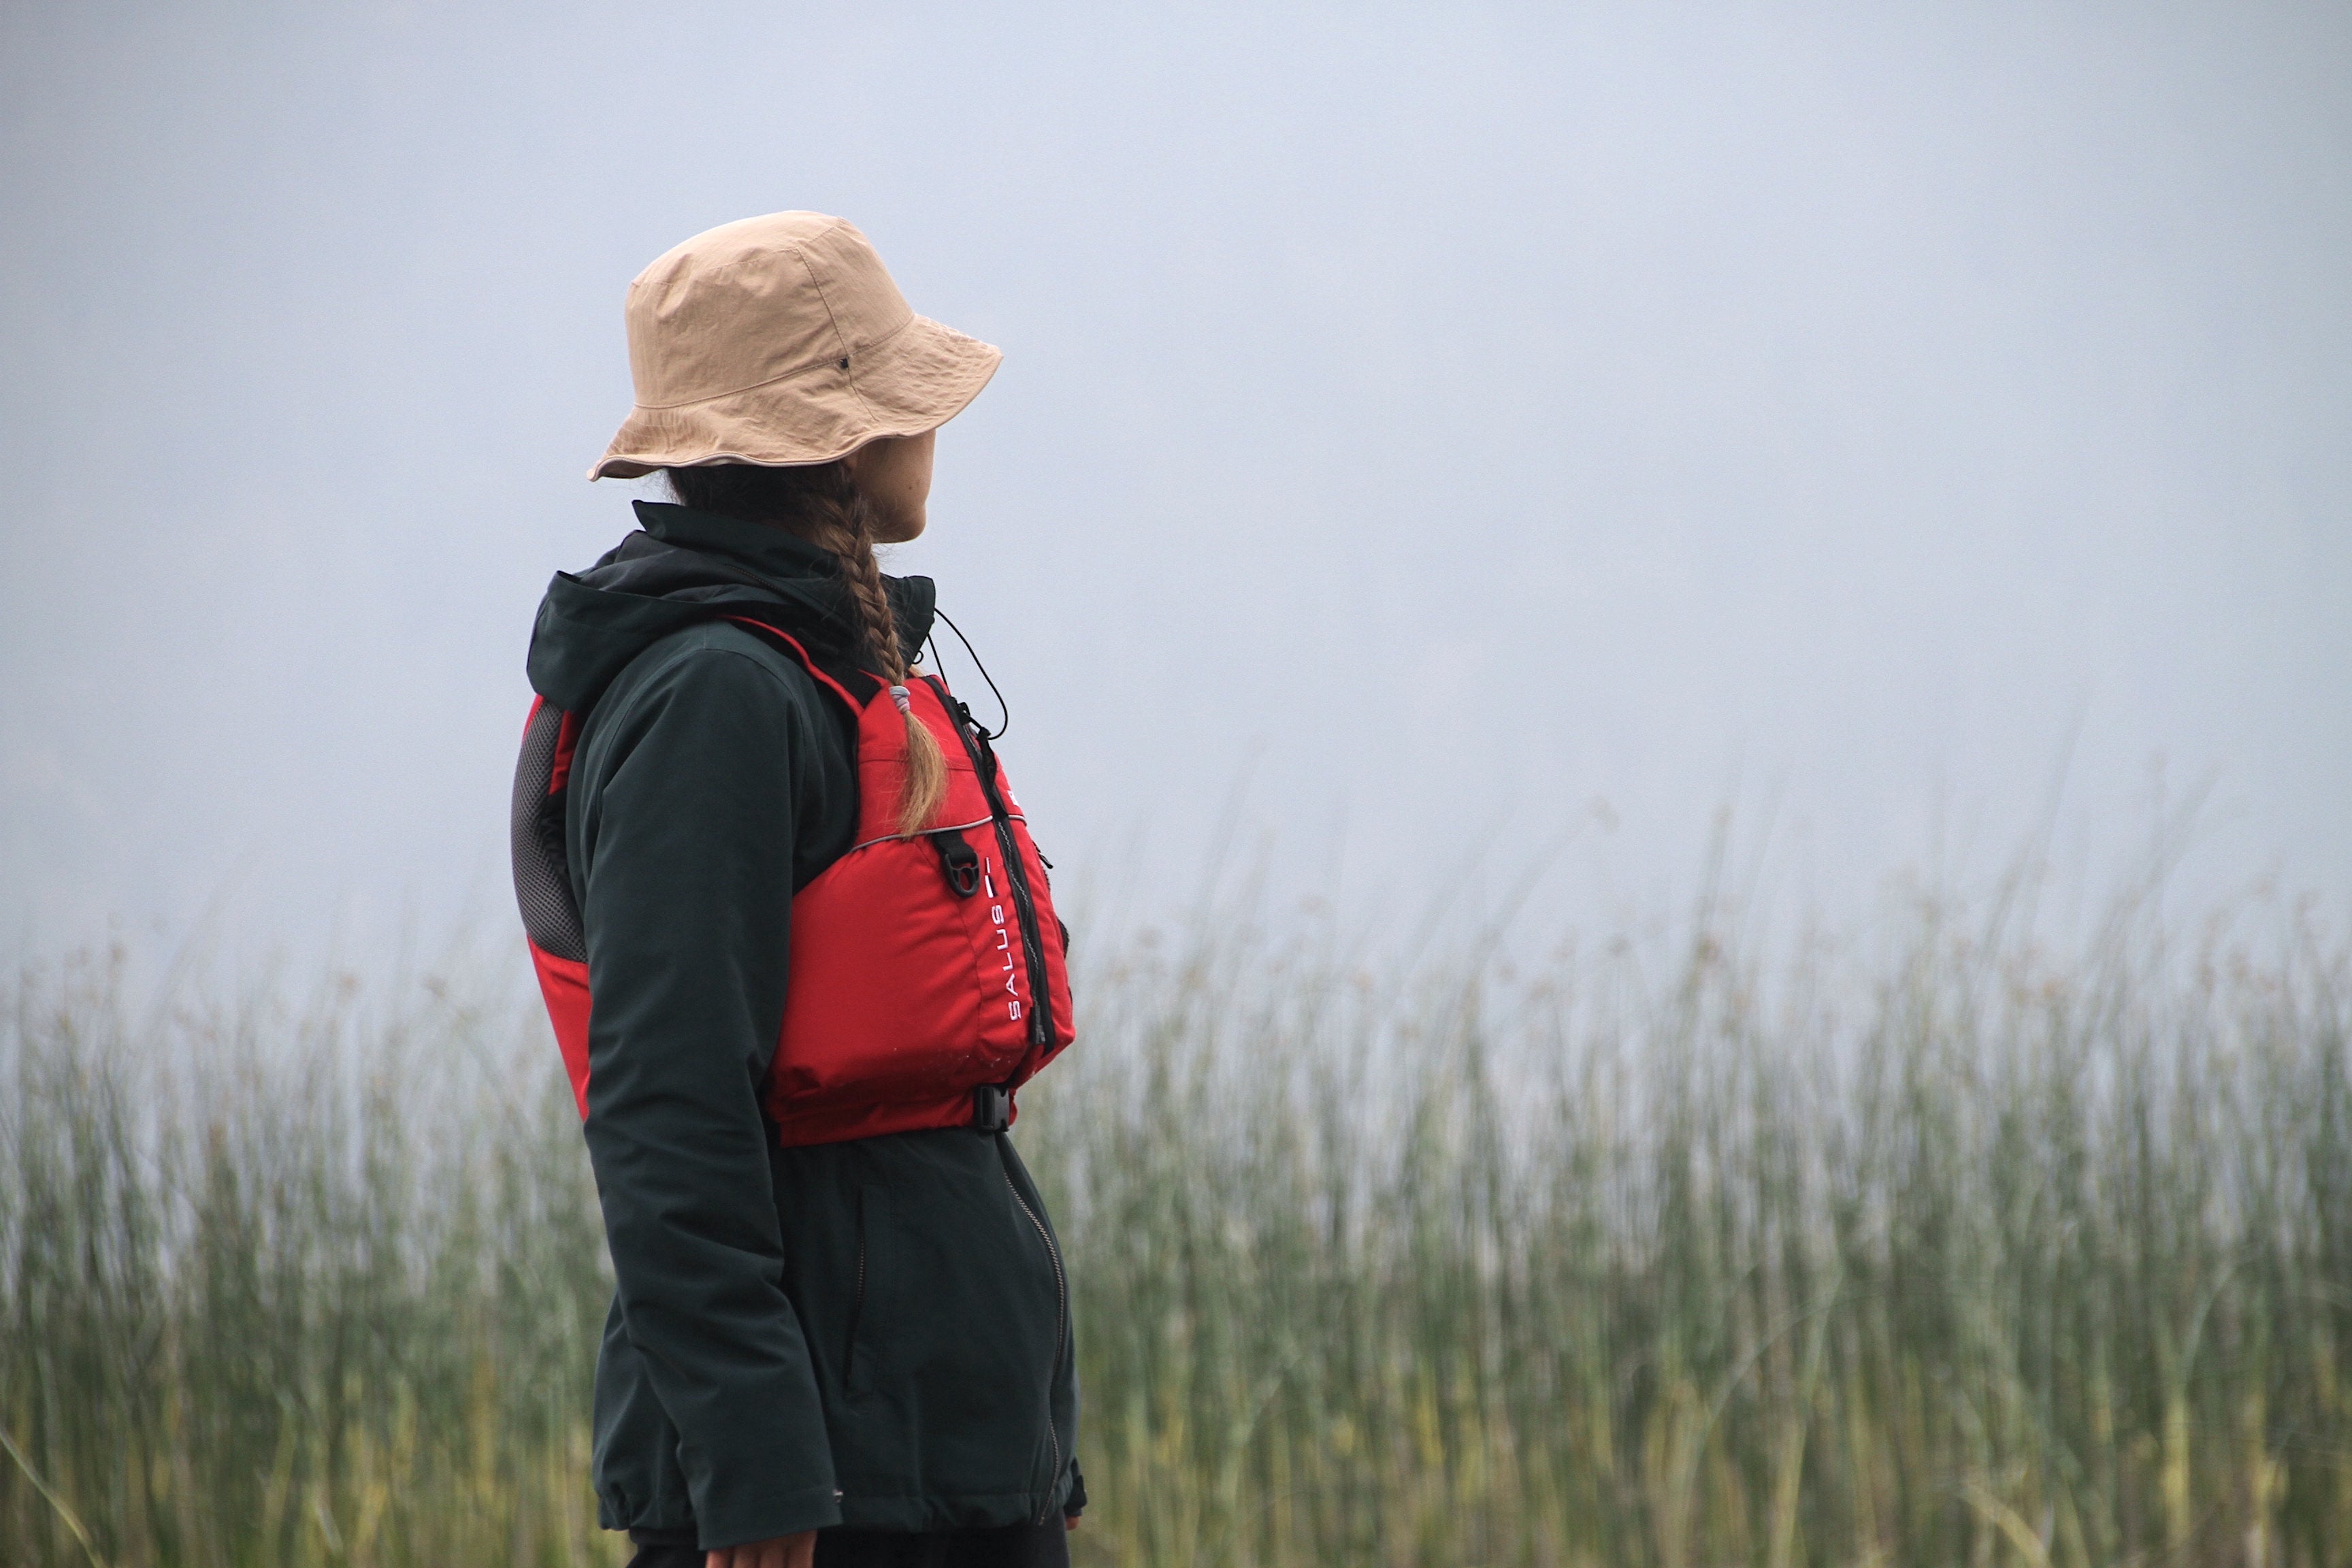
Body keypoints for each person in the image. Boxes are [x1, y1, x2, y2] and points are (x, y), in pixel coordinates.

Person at [510, 212, 1082, 1568]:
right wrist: (757, 1460)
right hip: (820, 1491)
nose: (932, 426)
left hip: (939, 1463)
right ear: (834, 435)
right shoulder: (713, 692)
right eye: (902, 396)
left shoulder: (814, 665)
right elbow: (667, 1100)